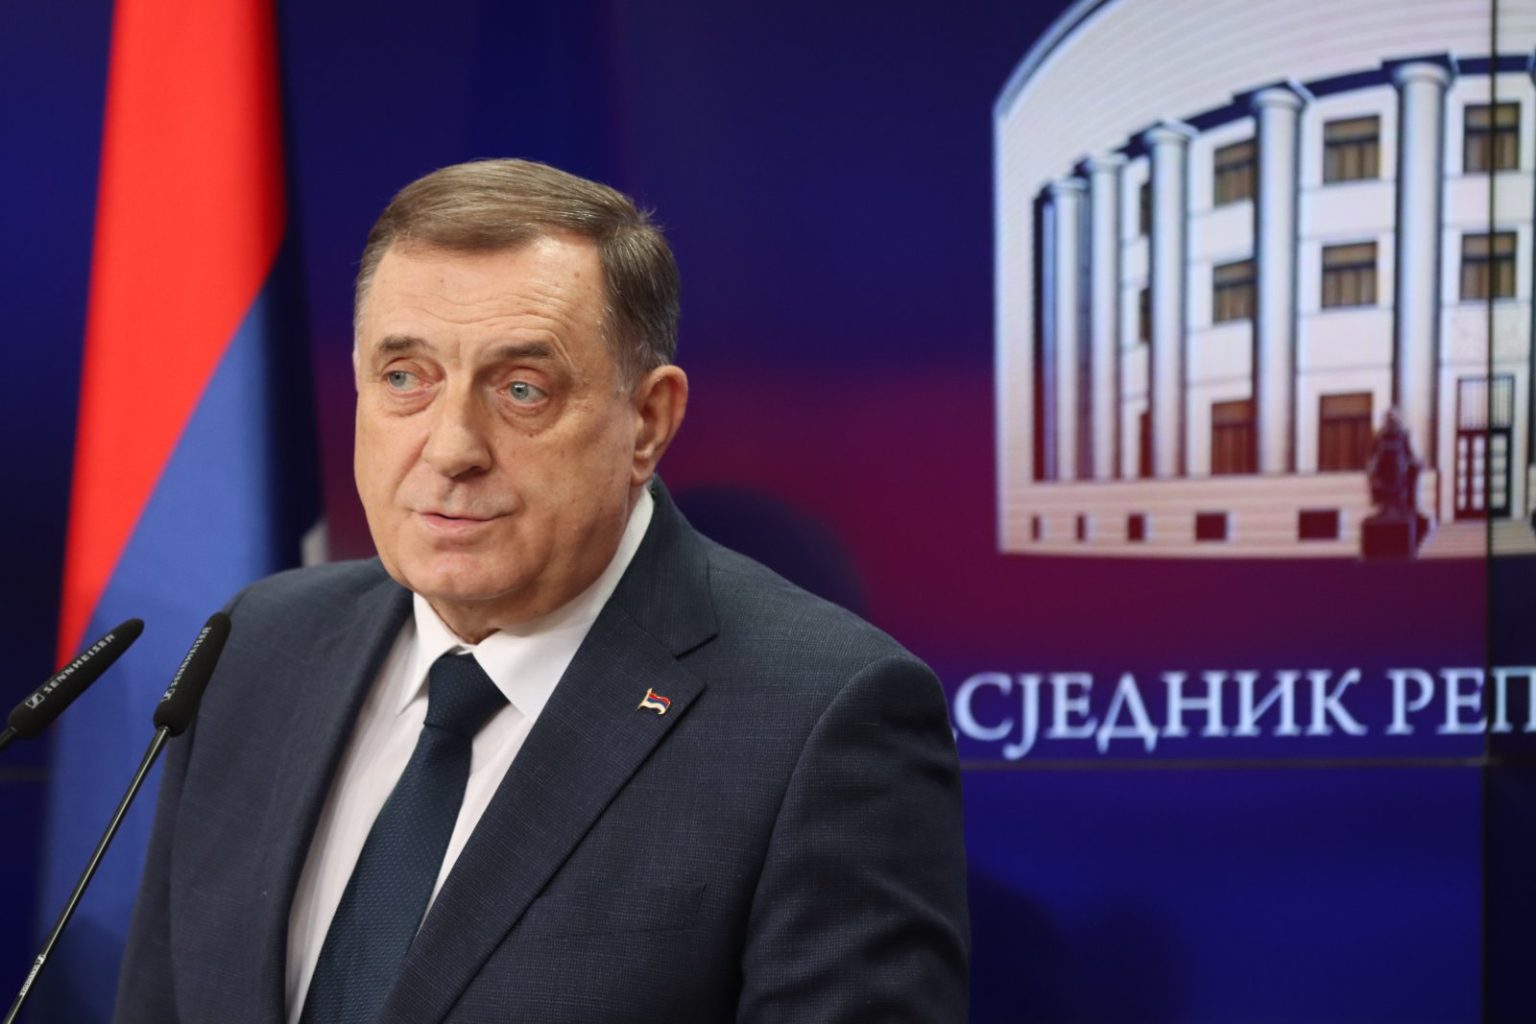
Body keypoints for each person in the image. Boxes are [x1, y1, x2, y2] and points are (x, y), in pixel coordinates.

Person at [113, 158, 969, 1024]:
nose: (452, 448)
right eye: (405, 377)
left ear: (648, 422)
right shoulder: (260, 646)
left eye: (522, 390)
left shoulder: (819, 716)